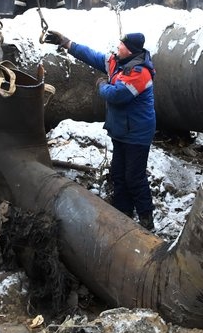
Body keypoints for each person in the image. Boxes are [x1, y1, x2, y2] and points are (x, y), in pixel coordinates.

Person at [43, 29, 157, 231]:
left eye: (121, 45)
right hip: (122, 130)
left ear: (129, 50)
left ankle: (146, 219)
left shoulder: (140, 72)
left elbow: (117, 95)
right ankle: (124, 214)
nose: (117, 47)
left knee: (134, 177)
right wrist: (67, 43)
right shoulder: (117, 61)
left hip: (137, 133)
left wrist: (101, 84)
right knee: (119, 175)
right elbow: (92, 56)